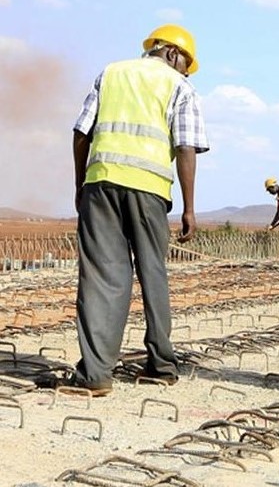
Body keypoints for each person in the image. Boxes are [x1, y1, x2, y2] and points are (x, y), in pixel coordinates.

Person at [71, 24, 209, 395]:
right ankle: (162, 366)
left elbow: (82, 132)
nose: (184, 71)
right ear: (172, 53)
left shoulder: (111, 73)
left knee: (102, 277)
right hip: (149, 190)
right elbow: (186, 148)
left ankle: (96, 374)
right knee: (152, 273)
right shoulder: (180, 88)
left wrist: (79, 184)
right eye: (185, 64)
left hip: (101, 184)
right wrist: (189, 208)